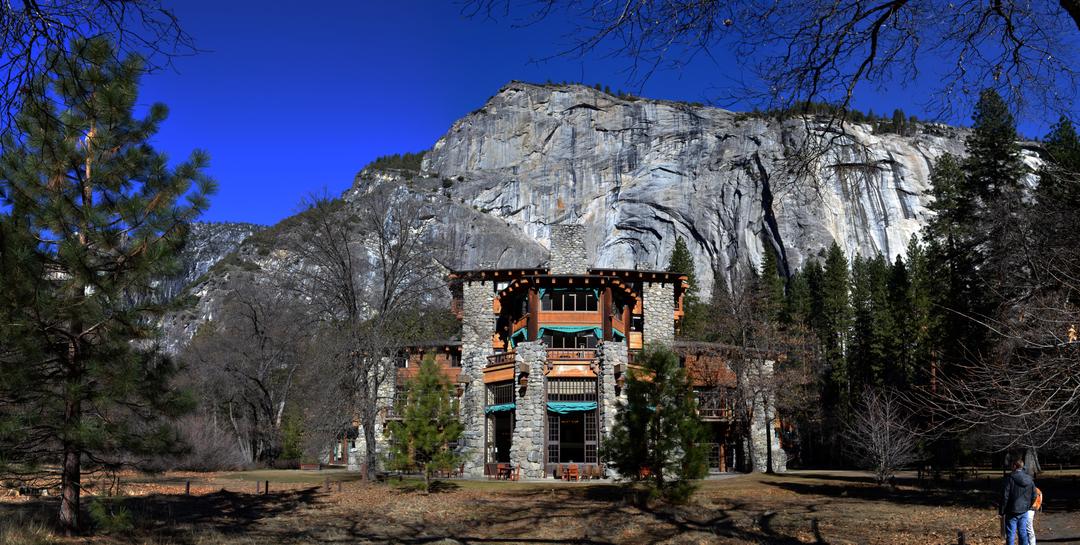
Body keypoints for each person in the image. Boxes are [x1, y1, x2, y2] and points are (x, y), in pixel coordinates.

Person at [1000, 458, 1036, 545]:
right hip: (1024, 510)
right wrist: (1028, 506)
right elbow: (1034, 495)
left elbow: (1005, 496)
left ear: (1015, 466)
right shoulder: (1029, 479)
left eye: (1011, 465)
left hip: (1012, 511)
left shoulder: (1010, 479)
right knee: (1023, 533)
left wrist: (1002, 511)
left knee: (1011, 534)